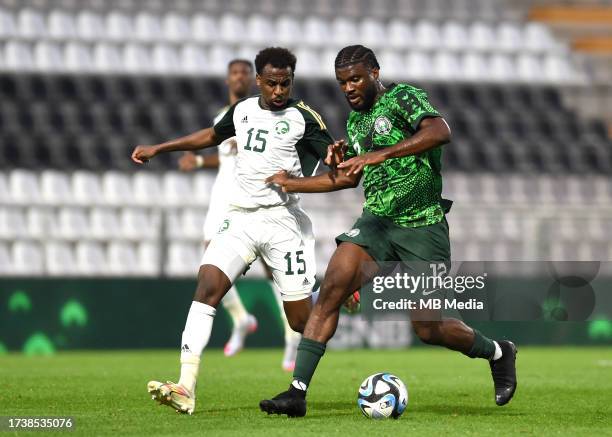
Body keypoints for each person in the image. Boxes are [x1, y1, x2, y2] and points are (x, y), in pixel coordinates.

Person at [260, 45, 517, 418]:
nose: (348, 88)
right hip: (376, 223)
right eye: (342, 82)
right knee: (331, 289)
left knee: (428, 329)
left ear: (375, 73)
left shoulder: (403, 97)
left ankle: (498, 351)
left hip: (422, 225)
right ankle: (296, 392)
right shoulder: (355, 123)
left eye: (356, 79)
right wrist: (292, 183)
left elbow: (440, 131)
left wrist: (379, 153)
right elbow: (349, 179)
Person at [131, 47, 333, 415]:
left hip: (283, 222)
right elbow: (210, 136)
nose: (278, 91)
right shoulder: (241, 112)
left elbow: (334, 153)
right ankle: (185, 386)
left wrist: (337, 154)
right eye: (271, 83)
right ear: (259, 81)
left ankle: (333, 296)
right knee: (207, 286)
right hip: (239, 218)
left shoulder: (304, 118)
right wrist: (160, 148)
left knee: (303, 320)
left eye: (285, 83)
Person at [178, 59, 301, 370]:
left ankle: (291, 336)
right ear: (228, 78)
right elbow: (226, 160)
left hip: (258, 198)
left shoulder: (264, 115)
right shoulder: (224, 117)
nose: (239, 77)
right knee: (209, 263)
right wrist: (200, 164)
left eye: (245, 73)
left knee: (274, 271)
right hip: (224, 199)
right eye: (234, 72)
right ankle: (242, 319)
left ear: (254, 79)